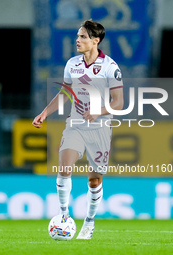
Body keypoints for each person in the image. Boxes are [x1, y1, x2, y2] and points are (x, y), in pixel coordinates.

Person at [32, 20, 123, 239]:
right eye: (77, 36)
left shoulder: (110, 67)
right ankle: (64, 215)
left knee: (94, 181)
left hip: (100, 128)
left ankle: (89, 223)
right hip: (75, 125)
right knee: (64, 168)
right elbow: (65, 93)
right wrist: (45, 113)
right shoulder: (72, 64)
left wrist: (98, 112)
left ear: (95, 40)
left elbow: (118, 102)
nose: (78, 40)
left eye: (83, 36)